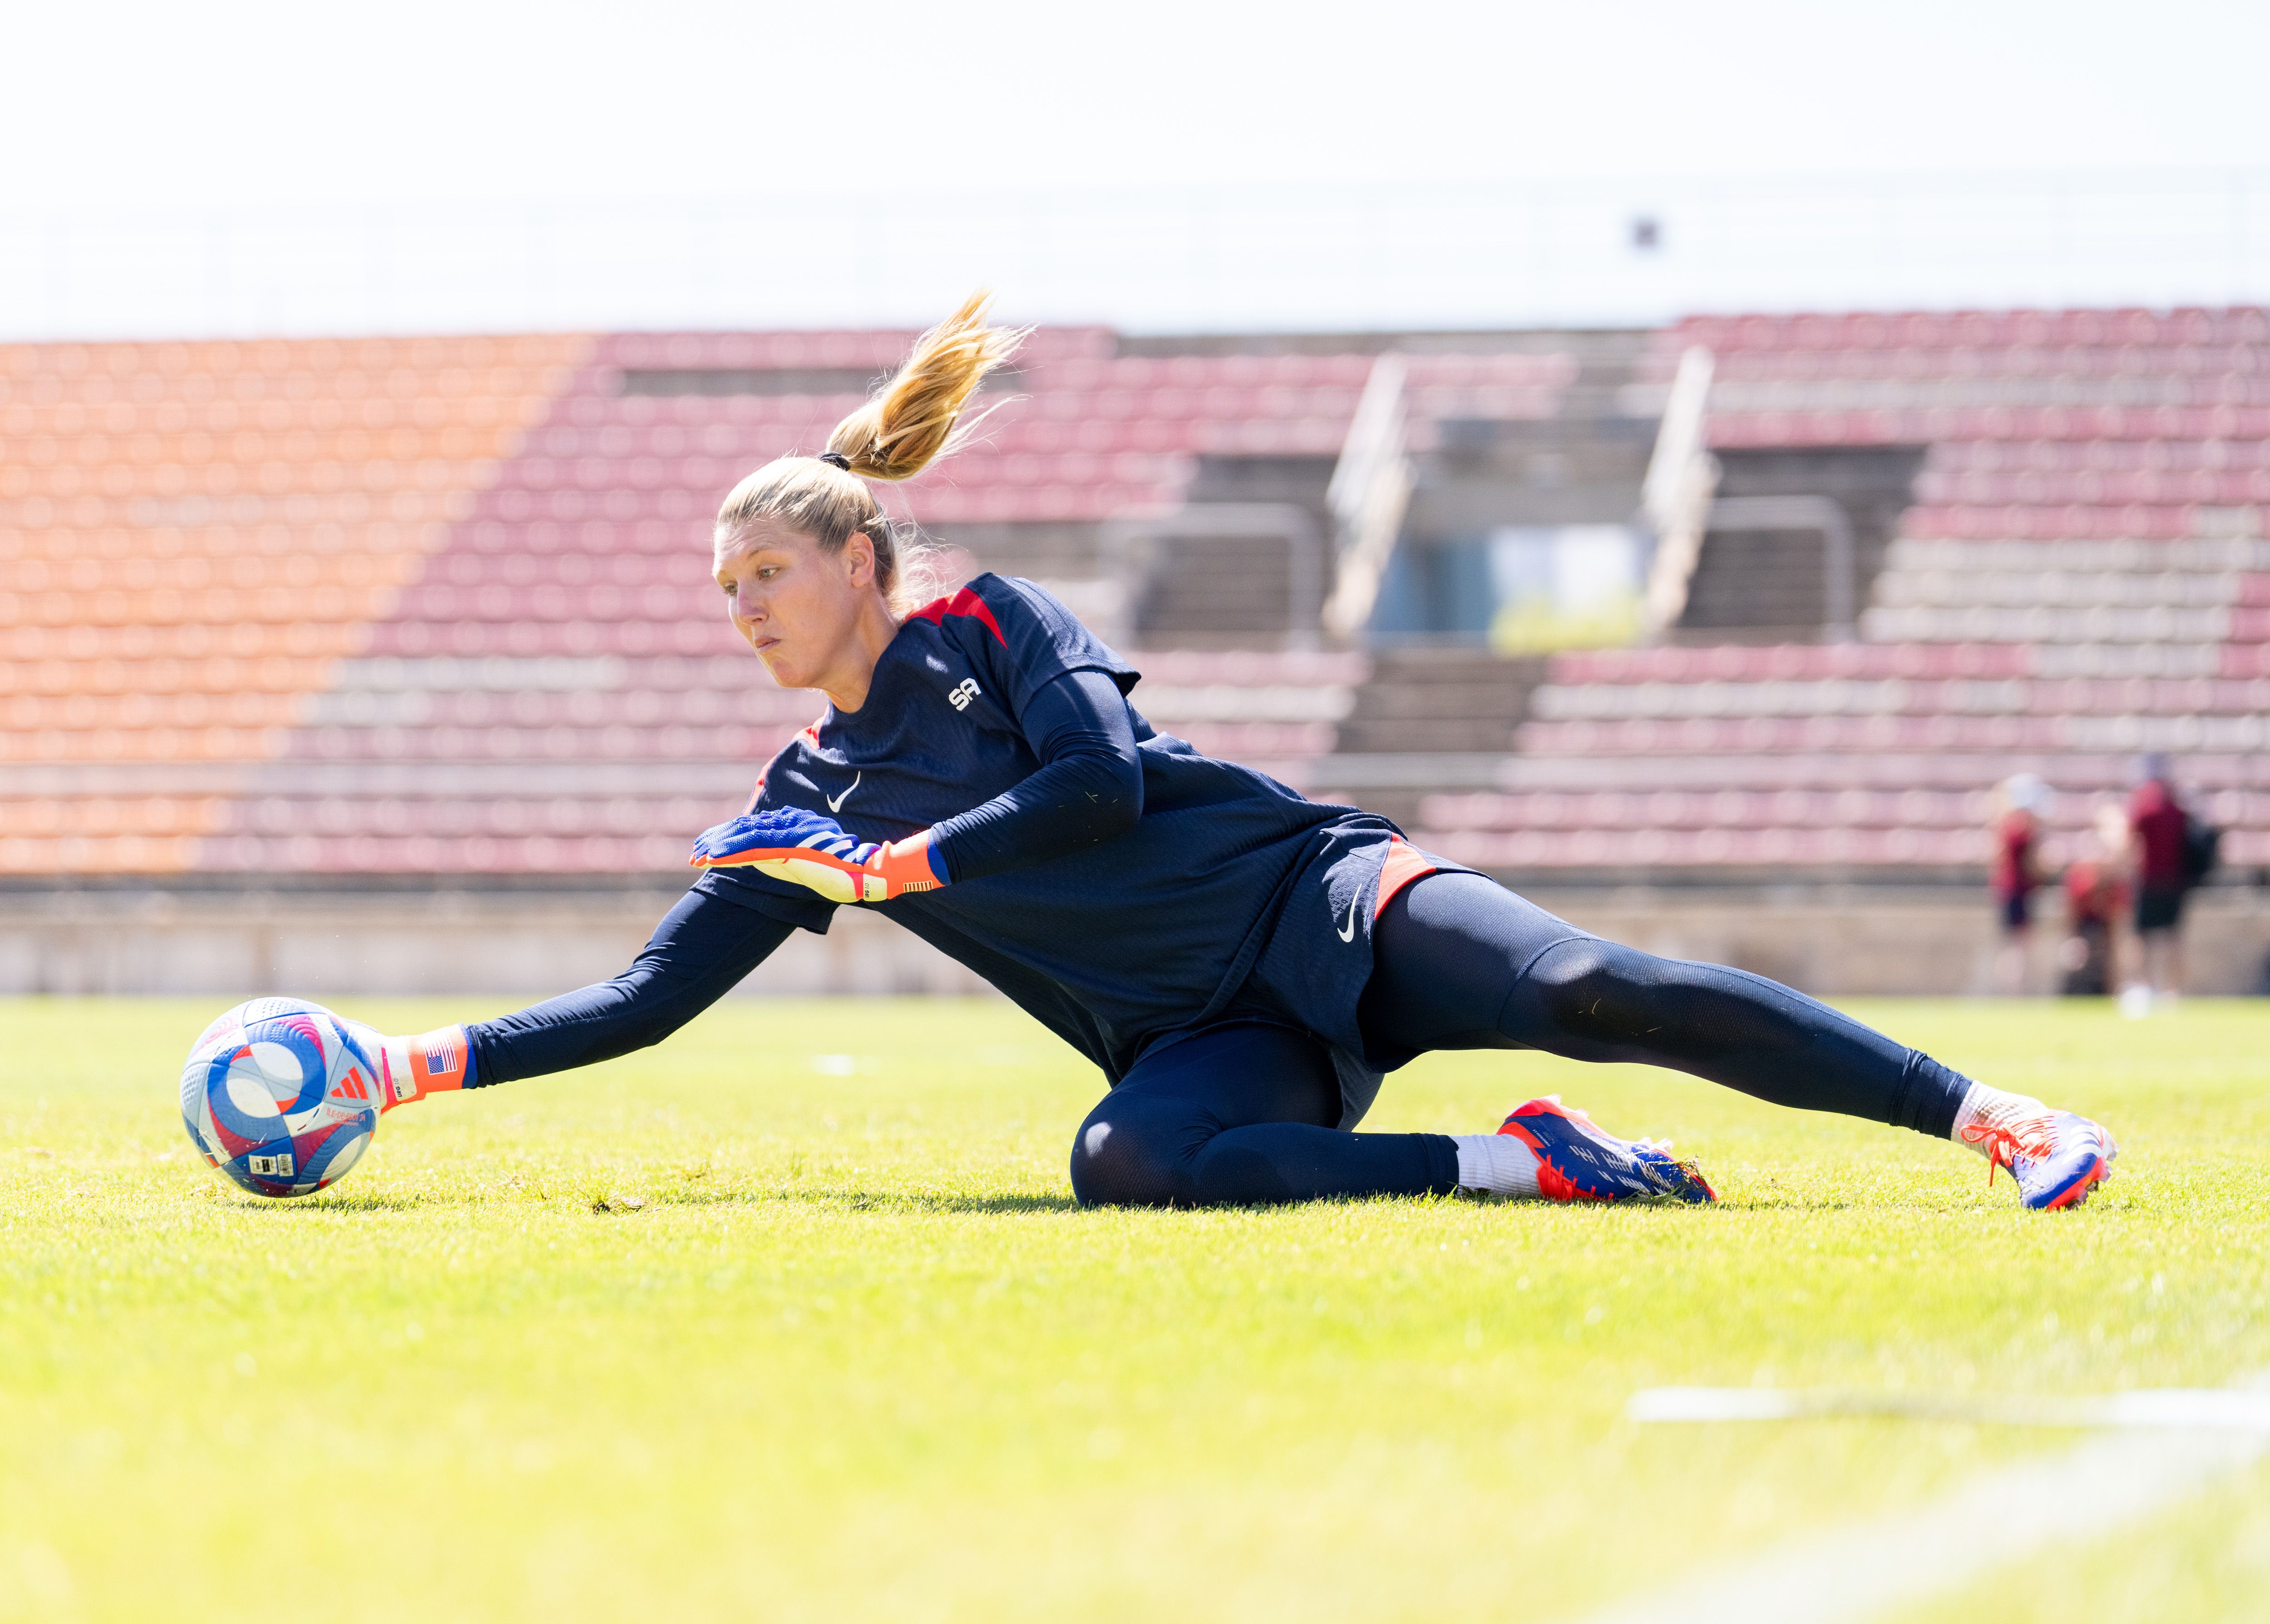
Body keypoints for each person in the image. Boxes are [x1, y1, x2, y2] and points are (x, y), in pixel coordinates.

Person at [345, 296, 2118, 1213]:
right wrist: (399, 1065)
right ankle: (1532, 1167)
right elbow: (645, 1002)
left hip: (1316, 897)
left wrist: (910, 871)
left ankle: (1985, 1115)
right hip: (1215, 1034)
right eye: (721, 587)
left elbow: (1100, 789)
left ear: (862, 565)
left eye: (766, 574)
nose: (740, 608)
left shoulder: (994, 628)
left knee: (1588, 981)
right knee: (1128, 1173)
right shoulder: (798, 809)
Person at [2123, 753, 2189, 1015]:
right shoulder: (2176, 804)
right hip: (2174, 881)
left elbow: (2130, 840)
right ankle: (2173, 992)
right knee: (2172, 938)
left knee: (2141, 939)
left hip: (2150, 879)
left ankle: (2144, 988)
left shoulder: (2144, 803)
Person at [2058, 803, 2131, 998]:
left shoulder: (2115, 869)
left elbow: (2116, 908)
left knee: (2110, 958)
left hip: (2105, 923)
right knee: (2082, 959)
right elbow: (2076, 900)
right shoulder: (2086, 867)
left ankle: (2109, 992)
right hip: (2087, 923)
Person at [1989, 773, 2051, 995]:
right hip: (2020, 891)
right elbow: (2033, 864)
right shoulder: (2024, 830)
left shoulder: (2006, 826)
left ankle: (2011, 990)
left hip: (2008, 891)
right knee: (2021, 946)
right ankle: (2017, 991)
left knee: (2013, 945)